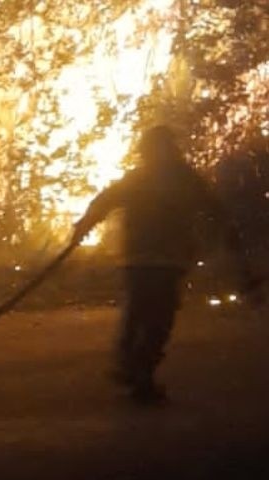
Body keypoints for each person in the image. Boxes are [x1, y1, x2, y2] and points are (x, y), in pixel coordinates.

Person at [72, 125, 260, 405]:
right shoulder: (182, 178)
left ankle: (130, 366)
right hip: (163, 260)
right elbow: (214, 210)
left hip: (141, 260)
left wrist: (83, 227)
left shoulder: (142, 177)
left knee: (139, 312)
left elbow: (105, 200)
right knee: (156, 318)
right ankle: (138, 371)